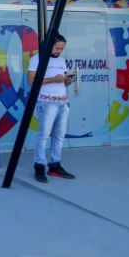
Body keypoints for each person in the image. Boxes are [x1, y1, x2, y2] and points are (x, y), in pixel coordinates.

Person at [27, 34, 76, 183]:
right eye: (57, 47)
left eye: (62, 48)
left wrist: (67, 81)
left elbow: (62, 83)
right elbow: (31, 81)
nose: (59, 50)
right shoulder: (37, 59)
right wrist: (54, 79)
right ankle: (39, 166)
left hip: (62, 102)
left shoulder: (61, 61)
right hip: (46, 102)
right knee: (43, 135)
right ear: (49, 45)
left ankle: (55, 165)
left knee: (59, 136)